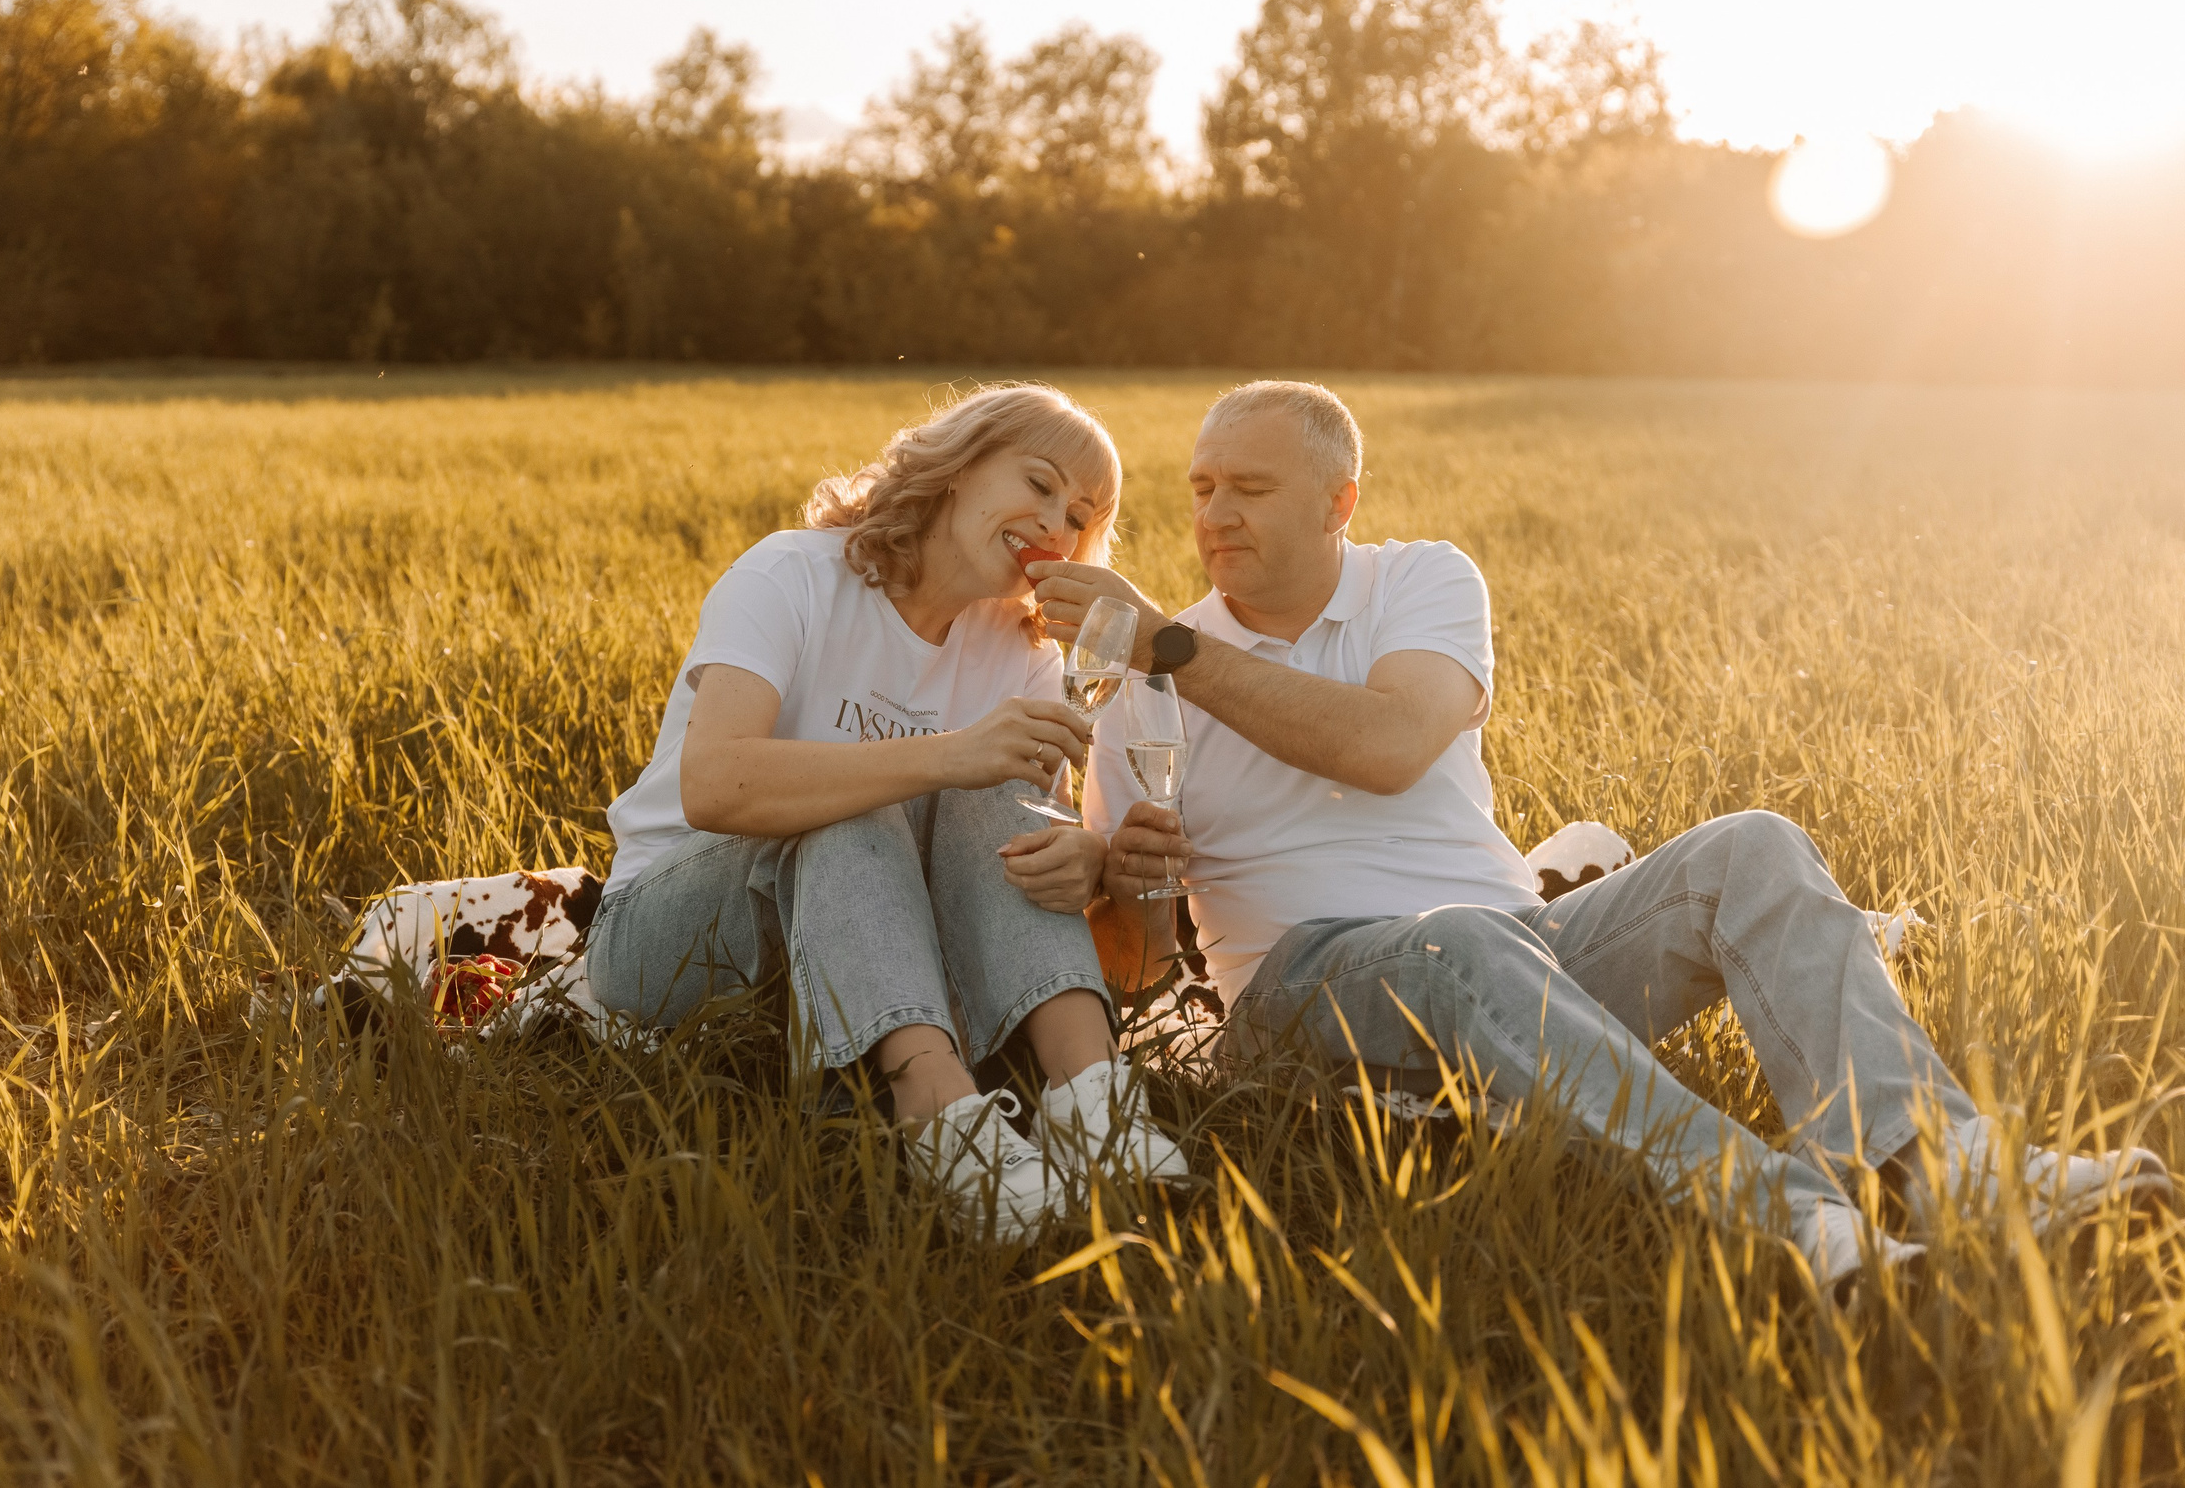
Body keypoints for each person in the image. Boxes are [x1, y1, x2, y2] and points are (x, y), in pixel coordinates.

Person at [1034, 379, 2169, 1297]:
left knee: (1752, 846)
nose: (1214, 513)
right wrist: (1129, 883)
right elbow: (1132, 967)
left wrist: (1176, 654)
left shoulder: (1415, 582)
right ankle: (1795, 1225)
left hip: (1519, 946)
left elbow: (1389, 745)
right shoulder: (1141, 676)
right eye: (1200, 488)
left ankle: (1943, 1167)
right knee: (1459, 946)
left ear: (1338, 502)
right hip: (1303, 1000)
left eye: (1251, 486)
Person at [588, 383, 1188, 1245]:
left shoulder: (1019, 649)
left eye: (1081, 513)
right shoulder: (791, 573)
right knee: (853, 805)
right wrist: (949, 754)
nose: (1057, 520)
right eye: (1039, 483)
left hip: (869, 933)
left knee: (993, 786)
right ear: (960, 466)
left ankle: (1091, 1104)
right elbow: (712, 784)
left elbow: (1011, 842)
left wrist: (1082, 855)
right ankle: (940, 1116)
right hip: (666, 936)